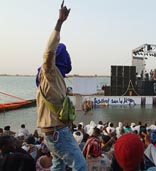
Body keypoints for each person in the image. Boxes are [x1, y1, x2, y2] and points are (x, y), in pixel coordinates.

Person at [36, 1, 87, 170]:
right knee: (80, 166)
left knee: (58, 166)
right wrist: (59, 23)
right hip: (57, 132)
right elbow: (49, 52)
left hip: (52, 134)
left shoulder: (52, 77)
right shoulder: (49, 72)